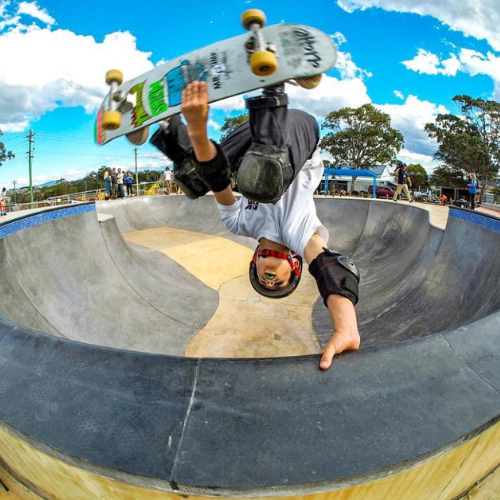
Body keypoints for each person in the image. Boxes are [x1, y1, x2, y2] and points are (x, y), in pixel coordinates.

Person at [150, 81, 360, 370]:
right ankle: (274, 82)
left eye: (263, 281)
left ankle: (168, 124)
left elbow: (218, 179)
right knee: (263, 184)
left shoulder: (238, 223)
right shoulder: (298, 235)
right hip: (300, 132)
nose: (269, 278)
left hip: (254, 134)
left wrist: (197, 128)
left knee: (200, 181)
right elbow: (331, 269)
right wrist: (346, 327)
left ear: (254, 262)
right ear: (295, 266)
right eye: (277, 282)